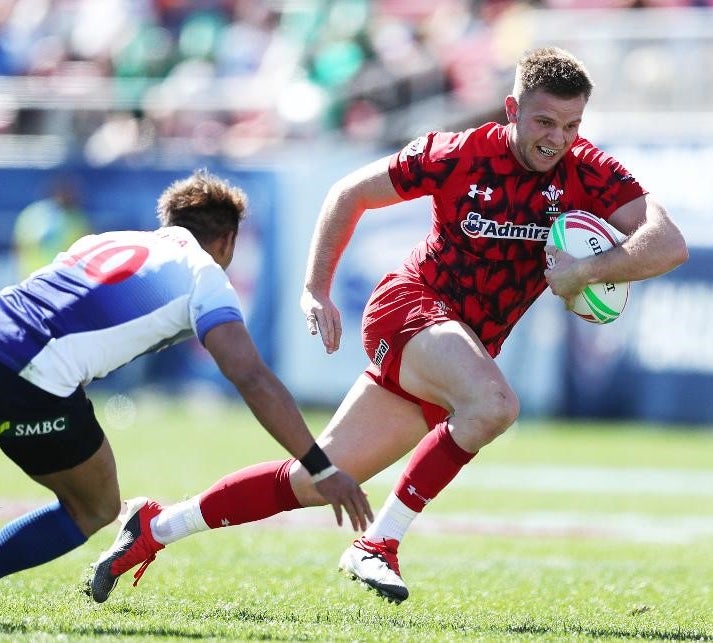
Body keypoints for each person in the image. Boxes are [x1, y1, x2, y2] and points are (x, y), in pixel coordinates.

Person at [86, 46, 688, 605]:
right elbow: (348, 194)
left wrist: (588, 270)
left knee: (316, 479)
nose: (557, 140)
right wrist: (316, 289)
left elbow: (668, 243)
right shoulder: (459, 153)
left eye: (571, 126)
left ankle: (155, 526)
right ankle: (378, 543)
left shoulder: (589, 169)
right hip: (410, 309)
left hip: (460, 345)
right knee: (494, 404)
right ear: (513, 110)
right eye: (543, 123)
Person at [0, 169, 372, 625]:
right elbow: (250, 376)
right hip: (28, 373)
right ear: (227, 241)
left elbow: (28, 312)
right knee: (96, 506)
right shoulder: (205, 275)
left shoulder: (103, 241)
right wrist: (319, 466)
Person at [12, 178, 91, 279]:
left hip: (61, 277)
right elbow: (18, 245)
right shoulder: (34, 213)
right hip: (35, 275)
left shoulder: (77, 218)